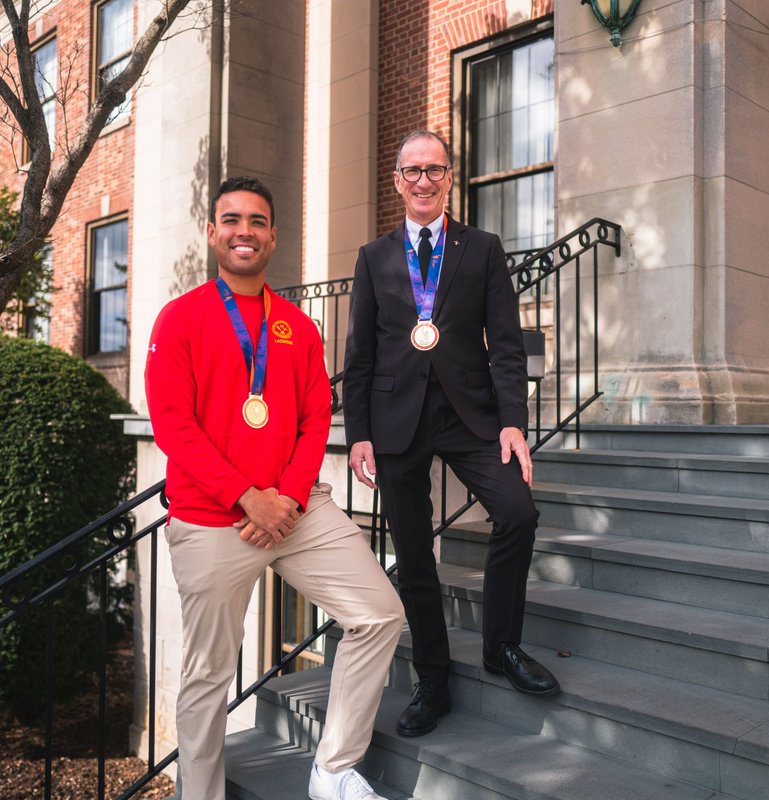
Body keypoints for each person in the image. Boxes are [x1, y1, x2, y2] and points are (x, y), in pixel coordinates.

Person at [146, 176, 403, 800]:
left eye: (256, 222)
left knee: (379, 615)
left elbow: (317, 416)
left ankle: (334, 768)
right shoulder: (180, 319)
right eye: (231, 220)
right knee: (208, 677)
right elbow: (172, 425)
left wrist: (285, 497)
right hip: (213, 518)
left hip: (296, 511)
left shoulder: (296, 326)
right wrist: (246, 496)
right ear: (213, 233)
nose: (244, 232)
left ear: (273, 237)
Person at [343, 130, 559, 738]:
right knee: (413, 556)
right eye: (411, 171)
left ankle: (501, 648)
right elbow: (359, 355)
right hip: (396, 423)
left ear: (448, 176)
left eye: (433, 170)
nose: (422, 181)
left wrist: (513, 422)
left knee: (517, 511)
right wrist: (358, 431)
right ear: (396, 180)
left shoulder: (483, 248)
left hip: (472, 417)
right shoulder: (373, 256)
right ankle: (433, 677)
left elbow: (507, 348)